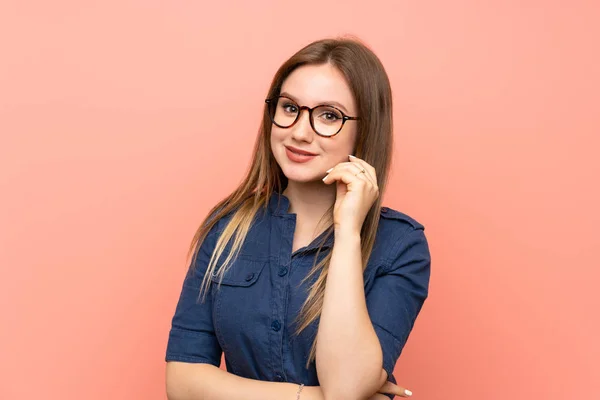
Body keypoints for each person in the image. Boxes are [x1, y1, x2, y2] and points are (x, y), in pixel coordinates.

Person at [164, 36, 431, 400]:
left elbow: (347, 387)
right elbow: (182, 382)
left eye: (329, 116)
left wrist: (349, 232)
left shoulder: (401, 245)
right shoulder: (227, 228)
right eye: (289, 108)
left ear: (365, 130)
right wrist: (310, 397)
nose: (299, 132)